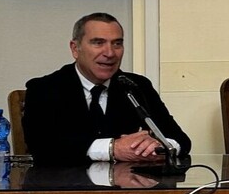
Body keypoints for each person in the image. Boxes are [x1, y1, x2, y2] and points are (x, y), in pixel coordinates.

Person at [23, 13, 192, 166]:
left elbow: (181, 140)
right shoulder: (44, 88)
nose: (110, 53)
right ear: (75, 49)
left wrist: (159, 146)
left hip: (127, 186)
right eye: (98, 43)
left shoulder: (135, 86)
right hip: (66, 186)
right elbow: (42, 147)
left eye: (117, 44)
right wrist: (112, 148)